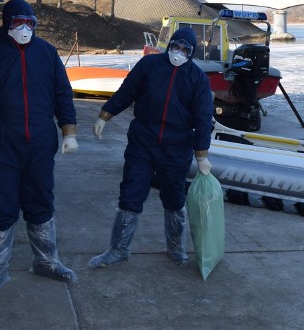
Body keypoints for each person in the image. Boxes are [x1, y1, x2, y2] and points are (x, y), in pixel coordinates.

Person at [0, 0, 79, 298]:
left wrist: (68, 131)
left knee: (41, 202)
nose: (24, 28)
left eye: (29, 22)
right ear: (6, 23)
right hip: (1, 145)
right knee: (2, 206)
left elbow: (63, 93)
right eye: (17, 22)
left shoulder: (47, 53)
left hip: (40, 143)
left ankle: (46, 262)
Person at [89, 27, 213, 268]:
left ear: (191, 53)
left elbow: (203, 119)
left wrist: (202, 155)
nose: (178, 52)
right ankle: (118, 249)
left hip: (177, 146)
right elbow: (127, 91)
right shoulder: (149, 65)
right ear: (169, 45)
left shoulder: (197, 79)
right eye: (175, 46)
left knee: (174, 197)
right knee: (131, 192)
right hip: (143, 140)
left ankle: (175, 247)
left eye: (184, 49)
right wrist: (105, 114)